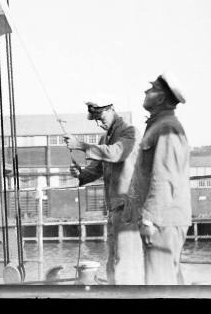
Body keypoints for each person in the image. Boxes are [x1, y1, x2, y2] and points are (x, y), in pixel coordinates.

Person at [64, 100, 143, 284]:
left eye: (100, 118)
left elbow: (116, 153)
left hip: (128, 207)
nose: (99, 123)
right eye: (96, 120)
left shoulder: (130, 133)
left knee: (125, 261)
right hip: (114, 208)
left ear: (111, 109)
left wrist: (81, 145)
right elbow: (97, 169)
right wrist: (81, 174)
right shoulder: (104, 139)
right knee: (113, 260)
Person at [129, 71, 192, 285]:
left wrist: (150, 218)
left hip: (163, 219)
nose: (147, 91)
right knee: (166, 280)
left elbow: (165, 176)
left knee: (160, 283)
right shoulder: (158, 125)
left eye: (153, 88)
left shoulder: (167, 128)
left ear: (163, 98)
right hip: (163, 218)